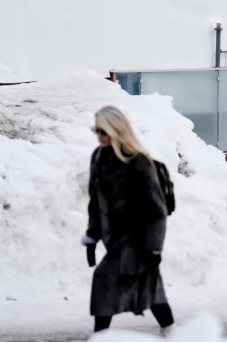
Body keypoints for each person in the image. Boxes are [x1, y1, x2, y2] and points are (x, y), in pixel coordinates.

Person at [82, 106, 174, 335]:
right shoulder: (99, 157)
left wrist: (154, 249)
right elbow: (96, 202)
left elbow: (157, 210)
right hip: (115, 240)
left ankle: (100, 337)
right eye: (97, 131)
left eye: (103, 131)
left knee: (104, 283)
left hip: (138, 240)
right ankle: (171, 332)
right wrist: (92, 235)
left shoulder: (138, 162)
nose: (99, 136)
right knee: (150, 290)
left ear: (116, 130)